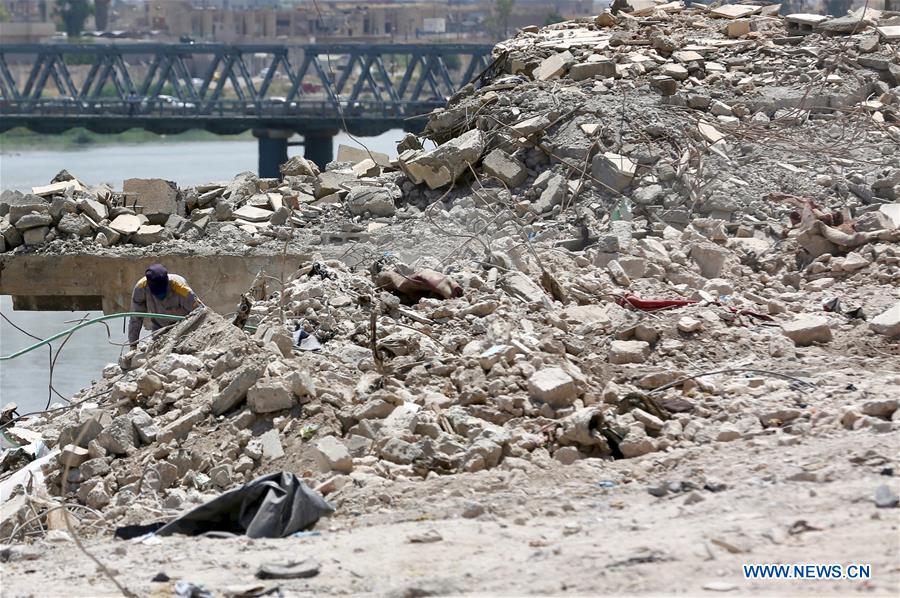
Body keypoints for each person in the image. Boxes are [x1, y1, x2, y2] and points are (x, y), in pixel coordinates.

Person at [128, 263, 202, 349]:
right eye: (157, 292)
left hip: (183, 329)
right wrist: (133, 344)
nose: (160, 295)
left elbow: (201, 312)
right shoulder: (141, 288)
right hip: (160, 329)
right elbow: (136, 317)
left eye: (162, 291)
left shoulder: (181, 288)